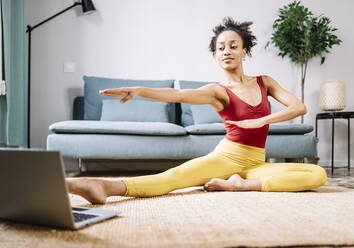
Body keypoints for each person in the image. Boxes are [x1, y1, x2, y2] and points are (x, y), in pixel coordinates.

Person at [67, 17, 327, 204]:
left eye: (233, 45)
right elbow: (177, 94)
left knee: (317, 174)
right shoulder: (218, 91)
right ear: (215, 55)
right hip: (227, 157)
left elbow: (299, 107)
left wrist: (261, 121)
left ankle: (240, 186)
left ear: (244, 51)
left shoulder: (265, 81)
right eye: (220, 47)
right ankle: (103, 185)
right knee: (173, 179)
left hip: (256, 163)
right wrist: (140, 90)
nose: (226, 51)